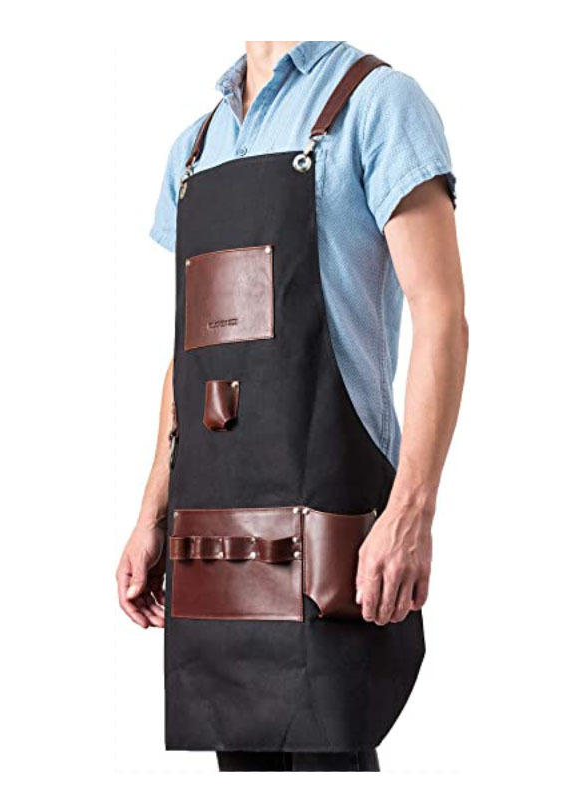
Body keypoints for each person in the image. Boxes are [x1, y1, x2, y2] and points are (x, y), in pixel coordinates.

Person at [117, 41, 468, 772]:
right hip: (213, 530)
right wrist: (152, 511)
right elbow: (189, 350)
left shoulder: (375, 103)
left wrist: (412, 511)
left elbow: (441, 317)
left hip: (330, 526)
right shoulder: (194, 148)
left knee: (328, 753)